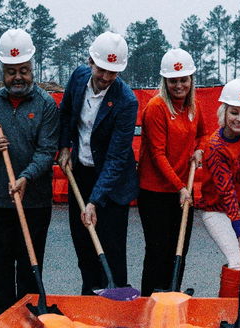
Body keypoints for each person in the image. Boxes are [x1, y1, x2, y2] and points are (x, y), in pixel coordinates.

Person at [0, 29, 59, 317]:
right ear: (2, 72)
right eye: (11, 72)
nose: (18, 77)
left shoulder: (46, 105)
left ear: (32, 68)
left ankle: (27, 316)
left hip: (34, 202)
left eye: (23, 70)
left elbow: (48, 151)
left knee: (30, 264)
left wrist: (26, 177)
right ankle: (3, 317)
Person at [57, 32, 139, 295]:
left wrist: (94, 201)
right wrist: (64, 146)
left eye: (112, 73)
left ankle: (115, 306)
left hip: (112, 183)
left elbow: (116, 157)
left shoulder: (126, 101)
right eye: (101, 70)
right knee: (84, 245)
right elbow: (67, 111)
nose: (105, 78)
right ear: (90, 61)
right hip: (80, 173)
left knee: (111, 249)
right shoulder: (78, 77)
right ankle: (89, 302)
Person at [137, 48, 207, 296]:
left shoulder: (193, 107)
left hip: (181, 191)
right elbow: (157, 155)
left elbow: (203, 135)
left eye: (184, 79)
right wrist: (180, 188)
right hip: (156, 192)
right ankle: (150, 299)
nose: (179, 85)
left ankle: (172, 294)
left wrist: (199, 149)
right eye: (173, 80)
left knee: (179, 250)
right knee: (158, 251)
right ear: (165, 81)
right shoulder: (156, 108)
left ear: (191, 80)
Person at [198, 78, 240, 297]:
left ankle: (237, 309)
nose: (239, 119)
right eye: (234, 112)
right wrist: (239, 232)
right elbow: (227, 194)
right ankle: (224, 314)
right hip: (218, 210)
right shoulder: (215, 147)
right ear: (224, 112)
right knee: (237, 264)